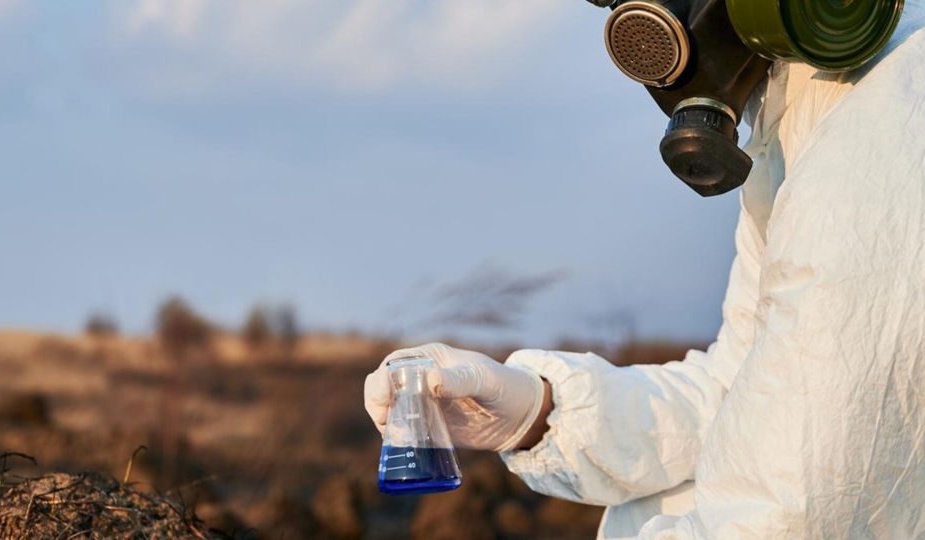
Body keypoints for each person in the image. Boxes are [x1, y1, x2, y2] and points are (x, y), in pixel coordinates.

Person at [365, 1, 925, 537]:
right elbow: (738, 394)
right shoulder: (802, 105)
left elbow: (798, 512)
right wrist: (534, 411)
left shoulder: (884, 116)